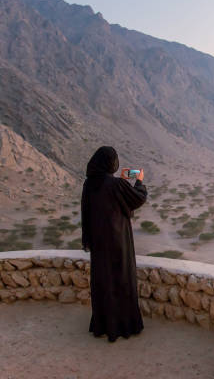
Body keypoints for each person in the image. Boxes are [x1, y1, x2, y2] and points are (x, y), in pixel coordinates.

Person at [80, 146, 147, 342]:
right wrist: (140, 181)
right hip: (118, 242)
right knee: (121, 280)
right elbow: (137, 198)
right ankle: (124, 324)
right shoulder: (116, 184)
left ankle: (103, 324)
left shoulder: (89, 184)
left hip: (99, 244)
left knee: (104, 282)